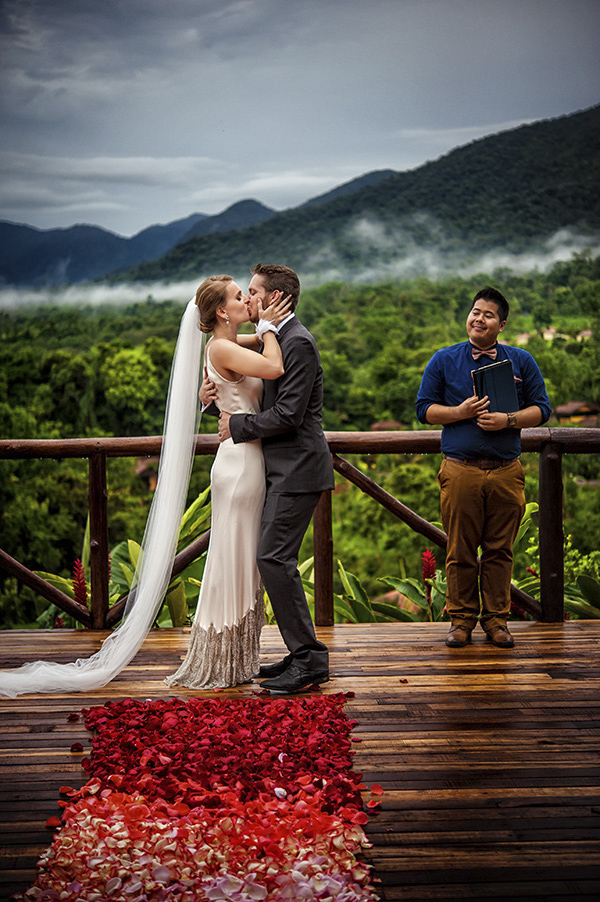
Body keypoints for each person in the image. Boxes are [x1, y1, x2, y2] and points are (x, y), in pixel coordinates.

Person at [165, 275, 291, 690]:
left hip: (242, 460)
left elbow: (245, 368)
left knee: (237, 558)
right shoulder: (221, 347)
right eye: (240, 297)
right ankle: (221, 657)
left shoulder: (228, 346)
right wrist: (270, 328)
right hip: (241, 466)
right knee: (233, 559)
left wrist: (265, 329)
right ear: (221, 311)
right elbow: (274, 366)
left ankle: (233, 656)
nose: (247, 300)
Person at [215, 263, 334, 693]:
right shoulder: (277, 339)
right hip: (279, 470)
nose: (247, 298)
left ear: (273, 298)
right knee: (274, 559)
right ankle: (300, 653)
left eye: (253, 292)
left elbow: (289, 415)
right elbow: (242, 385)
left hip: (299, 469)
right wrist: (214, 401)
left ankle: (310, 660)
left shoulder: (297, 342)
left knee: (273, 558)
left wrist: (238, 428)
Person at [415, 286, 551, 649]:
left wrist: (508, 420)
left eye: (488, 314)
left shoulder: (521, 361)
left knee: (500, 550)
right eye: (476, 312)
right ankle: (460, 621)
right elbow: (423, 408)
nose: (479, 318)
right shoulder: (444, 359)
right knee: (460, 549)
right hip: (461, 469)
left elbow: (542, 409)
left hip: (507, 469)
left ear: (501, 325)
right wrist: (459, 413)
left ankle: (497, 621)